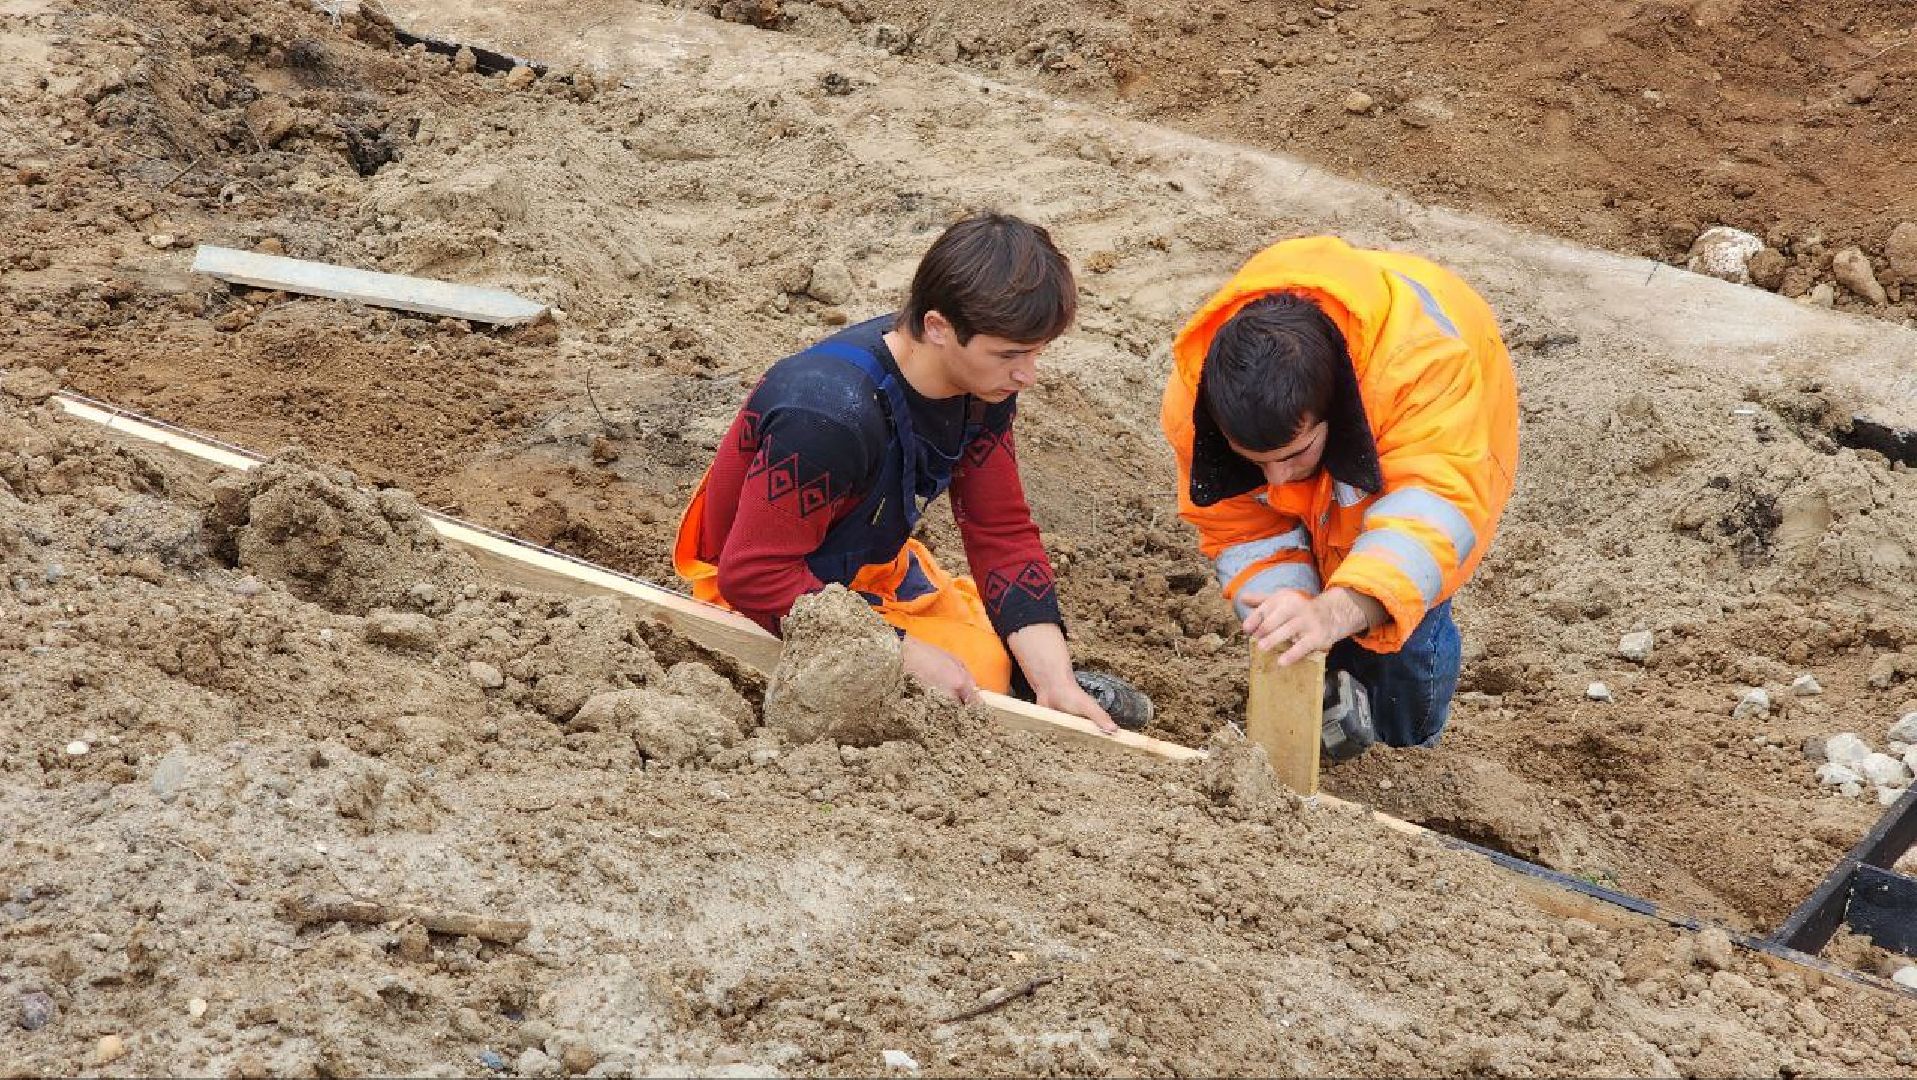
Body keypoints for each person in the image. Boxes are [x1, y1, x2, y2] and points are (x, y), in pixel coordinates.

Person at [676, 212, 1151, 731]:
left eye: (1036, 352)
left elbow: (1001, 532)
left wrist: (1054, 678)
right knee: (969, 678)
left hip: (868, 565)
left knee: (987, 658)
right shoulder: (826, 416)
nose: (1027, 375)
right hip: (754, 586)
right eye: (1009, 354)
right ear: (938, 327)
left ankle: (1038, 683)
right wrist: (900, 653)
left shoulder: (980, 384)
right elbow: (753, 576)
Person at [1161, 236, 1519, 758]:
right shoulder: (1196, 403)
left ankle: (1409, 750)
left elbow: (1430, 521)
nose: (1276, 479)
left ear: (1338, 415)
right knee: (1321, 607)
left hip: (1446, 420)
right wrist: (1292, 606)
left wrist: (1337, 612)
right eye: (1254, 461)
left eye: (1295, 453)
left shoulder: (1421, 372)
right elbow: (1242, 527)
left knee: (1406, 623)